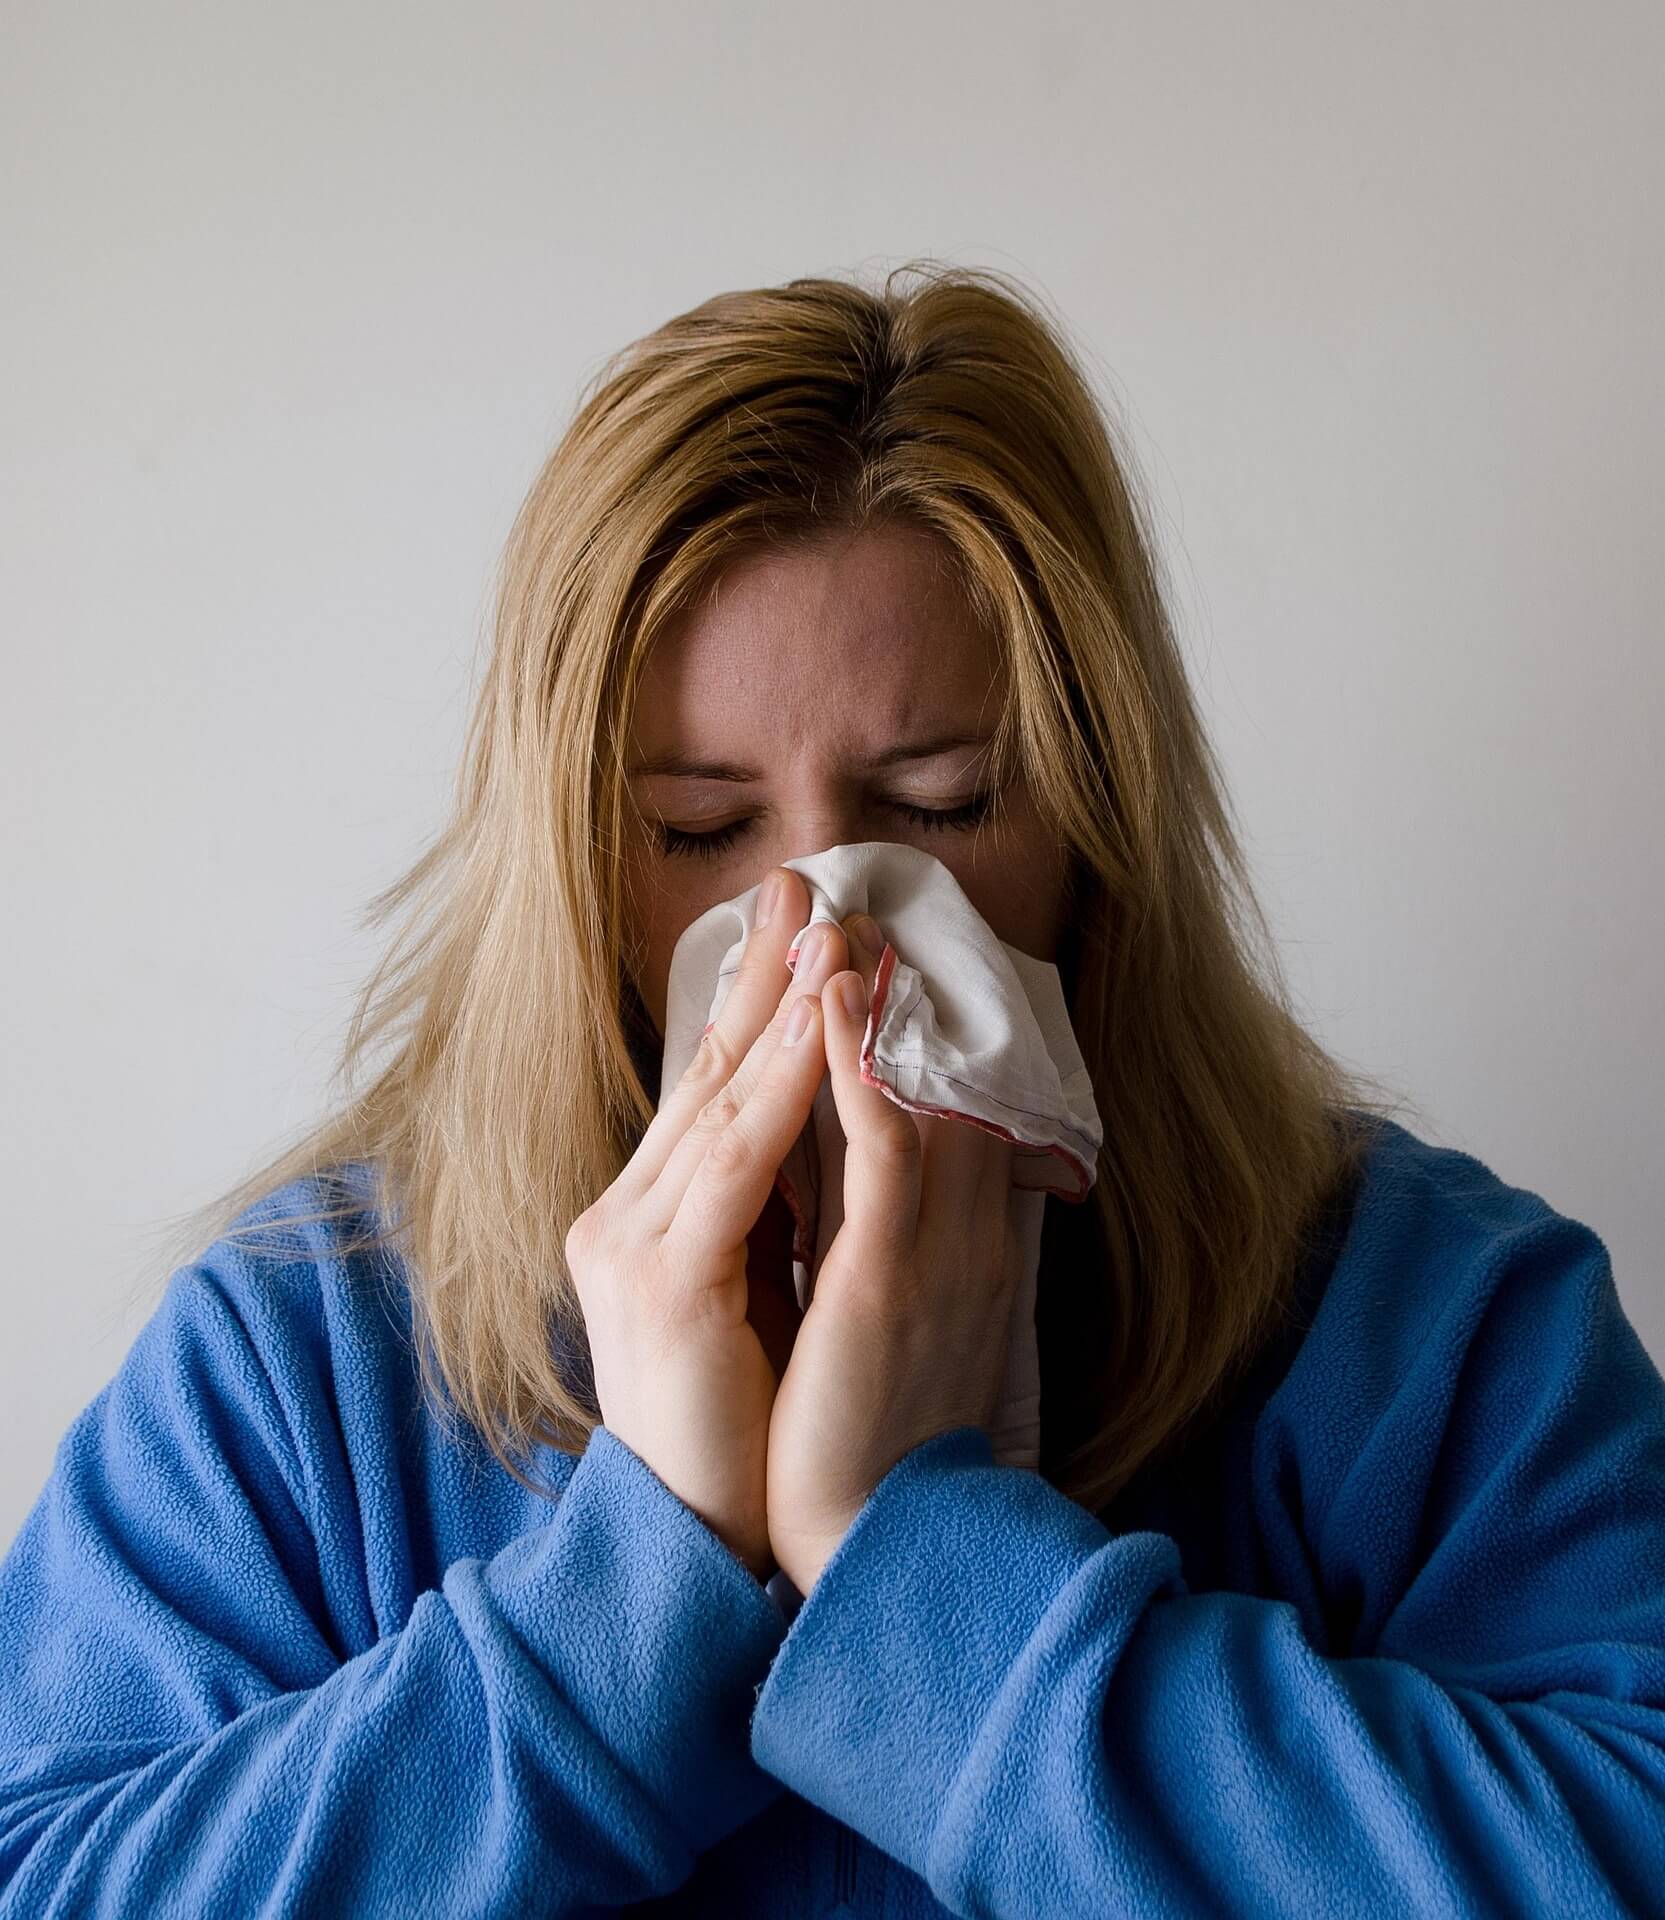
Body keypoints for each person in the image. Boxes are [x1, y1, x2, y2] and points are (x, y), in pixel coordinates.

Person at [2, 263, 1662, 1919]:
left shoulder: (1424, 1321)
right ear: (573, 871)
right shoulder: (310, 1359)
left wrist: (924, 1566)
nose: (821, 939)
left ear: (1094, 833)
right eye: (698, 831)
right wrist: (642, 1588)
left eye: (937, 807)